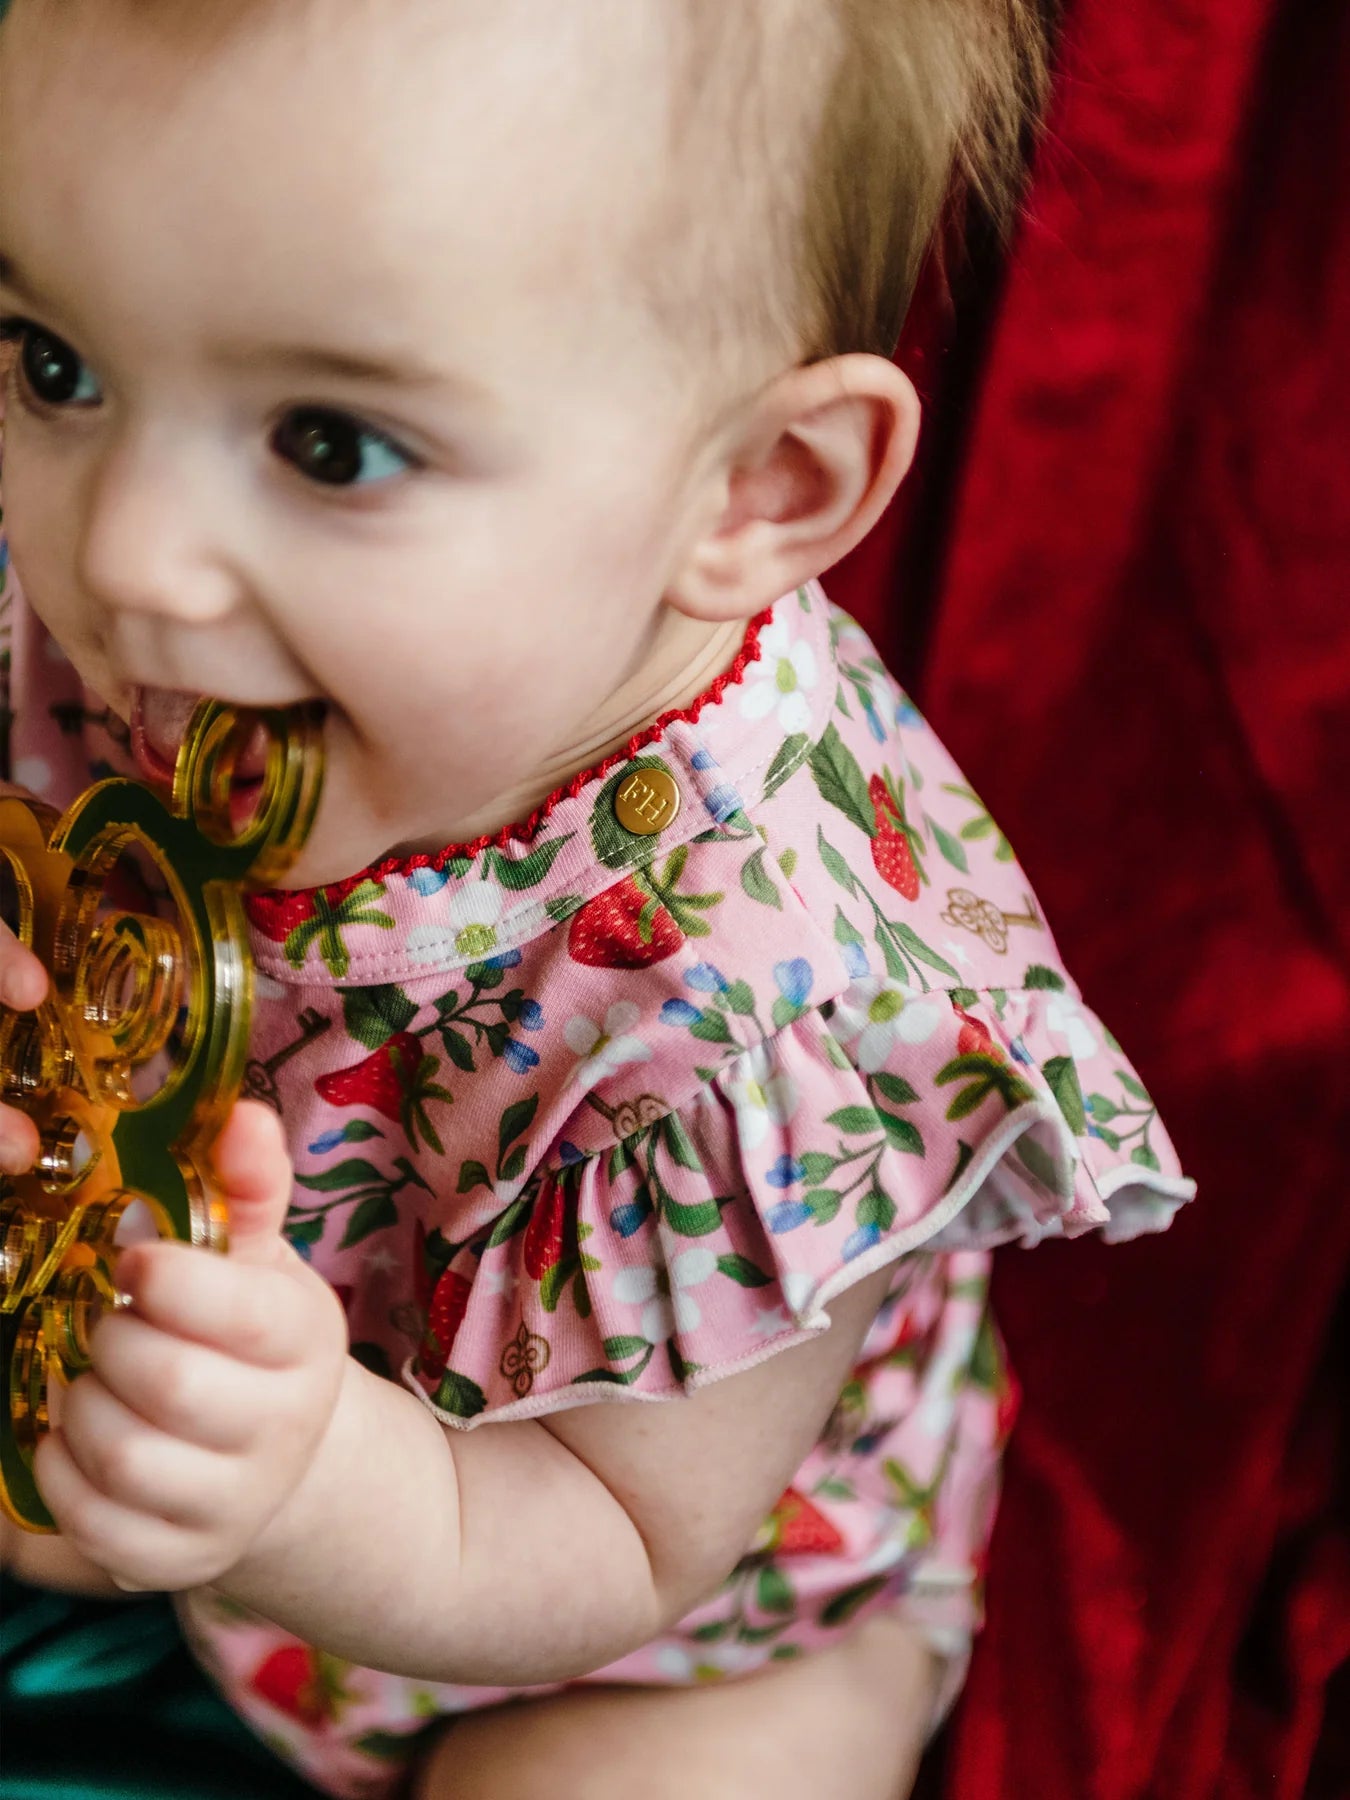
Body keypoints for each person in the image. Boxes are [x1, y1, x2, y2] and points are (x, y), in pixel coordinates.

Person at [0, 4, 1195, 1796]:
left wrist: (306, 1482)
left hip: (632, 1636)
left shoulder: (775, 1002)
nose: (122, 559)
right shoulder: (147, 619)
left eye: (330, 446)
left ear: (754, 492)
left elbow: (626, 1545)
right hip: (178, 1372)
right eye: (53, 362)